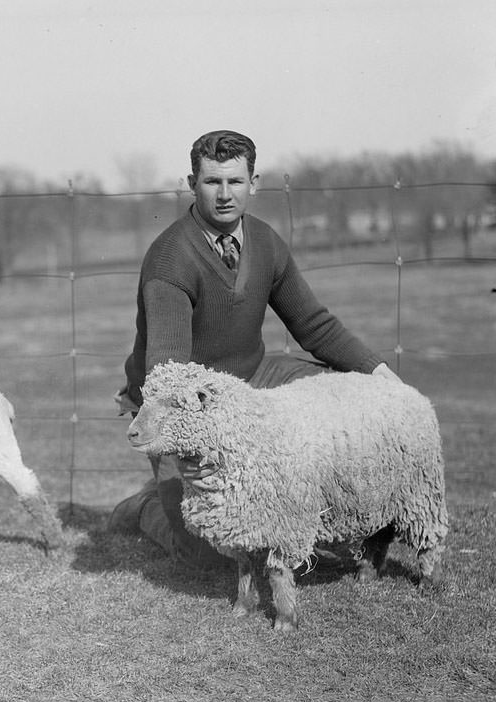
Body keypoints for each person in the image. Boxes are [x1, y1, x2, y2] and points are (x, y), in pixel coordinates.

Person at [109, 129, 400, 565]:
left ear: (254, 182)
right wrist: (191, 444)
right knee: (208, 551)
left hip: (254, 378)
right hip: (180, 403)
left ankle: (327, 522)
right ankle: (147, 507)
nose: (225, 195)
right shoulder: (171, 258)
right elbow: (168, 373)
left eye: (235, 181)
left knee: (342, 396)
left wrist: (380, 374)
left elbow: (313, 324)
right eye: (212, 182)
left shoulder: (265, 241)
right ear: (192, 185)